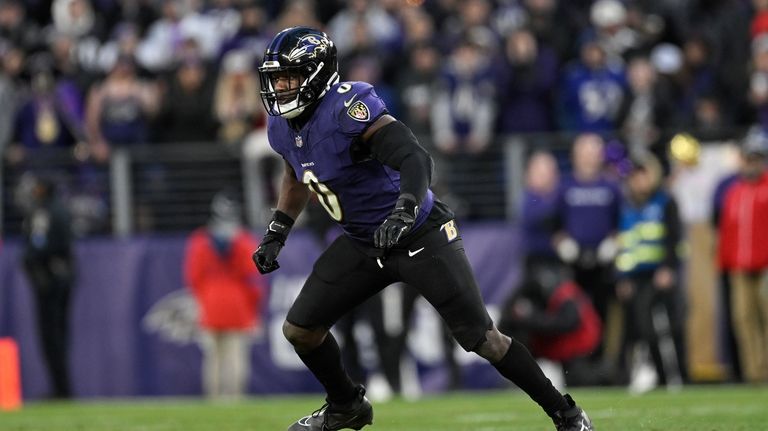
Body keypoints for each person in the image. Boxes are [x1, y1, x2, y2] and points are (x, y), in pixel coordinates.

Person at [251, 27, 593, 431]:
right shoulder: (281, 127)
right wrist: (278, 230)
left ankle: (566, 413)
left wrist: (405, 208)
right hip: (365, 241)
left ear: (317, 73)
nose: (279, 87)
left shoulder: (347, 109)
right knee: (300, 329)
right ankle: (346, 406)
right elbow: (296, 173)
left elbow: (414, 157)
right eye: (275, 78)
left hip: (418, 232)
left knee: (484, 339)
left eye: (288, 76)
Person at [615, 154, 687, 393]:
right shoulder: (626, 205)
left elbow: (674, 237)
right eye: (635, 174)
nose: (639, 179)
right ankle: (663, 378)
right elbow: (625, 244)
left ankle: (683, 378)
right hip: (638, 277)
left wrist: (668, 268)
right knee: (645, 329)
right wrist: (623, 278)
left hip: (662, 273)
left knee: (675, 326)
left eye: (643, 173)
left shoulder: (666, 202)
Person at [184, 191, 265, 399]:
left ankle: (214, 398)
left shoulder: (200, 240)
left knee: (213, 358)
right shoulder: (244, 241)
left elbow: (193, 276)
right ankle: (234, 397)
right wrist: (254, 304)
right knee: (236, 356)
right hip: (238, 304)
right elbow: (254, 277)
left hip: (210, 302)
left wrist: (203, 298)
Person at [717, 127, 768, 384]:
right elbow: (727, 231)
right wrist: (724, 262)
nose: (751, 164)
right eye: (748, 159)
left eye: (756, 159)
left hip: (765, 265)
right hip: (739, 265)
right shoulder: (733, 192)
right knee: (743, 319)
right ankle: (754, 374)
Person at [18, 174, 75, 398]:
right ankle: (62, 387)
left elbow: (38, 246)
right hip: (63, 276)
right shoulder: (60, 208)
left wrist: (31, 261)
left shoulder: (44, 212)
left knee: (51, 337)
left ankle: (61, 389)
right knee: (60, 335)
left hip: (50, 279)